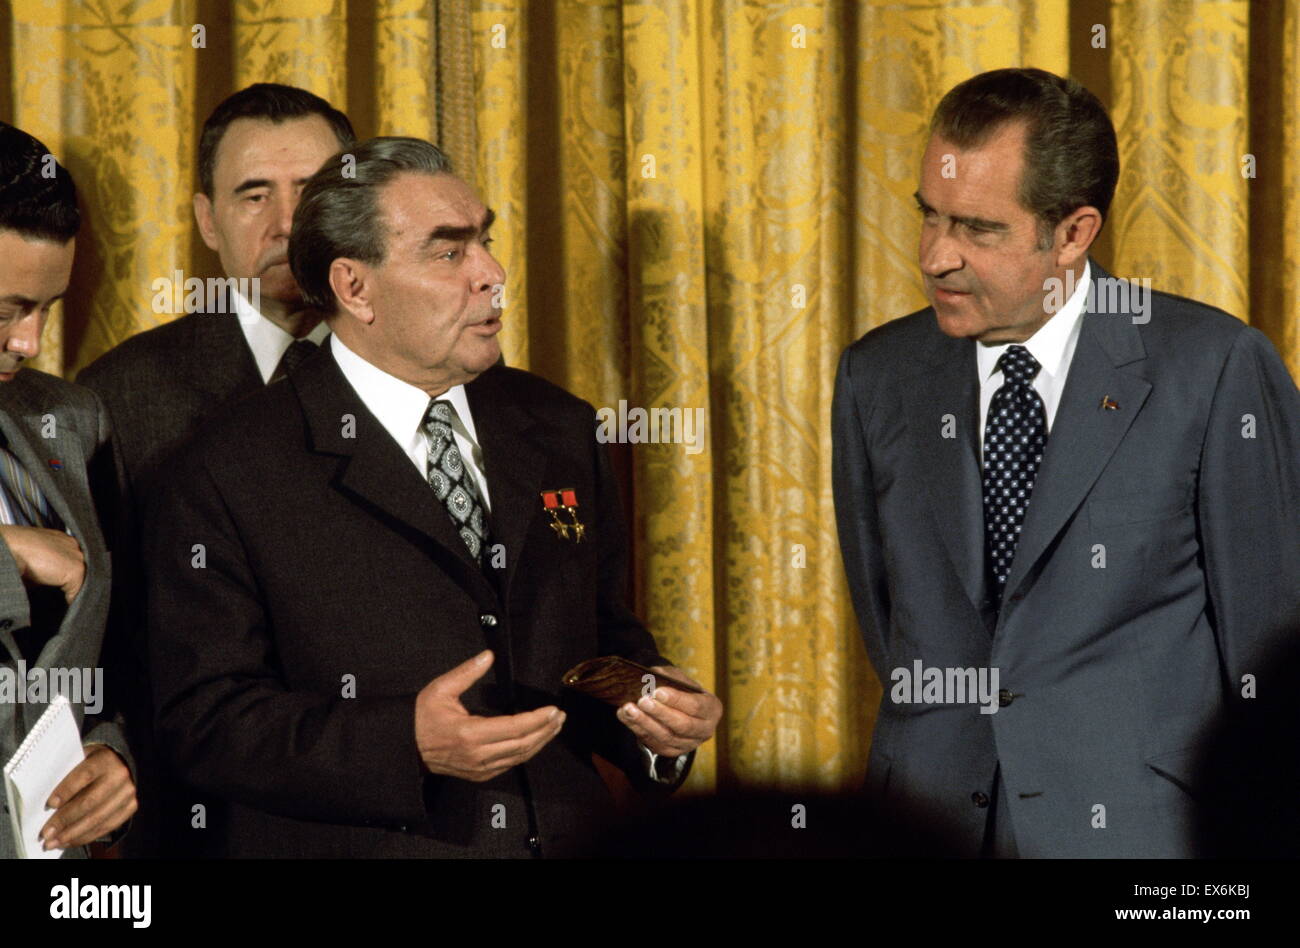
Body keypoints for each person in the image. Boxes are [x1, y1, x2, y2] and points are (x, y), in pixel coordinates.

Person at [143, 136, 723, 857]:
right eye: (449, 253)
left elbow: (601, 636)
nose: (493, 273)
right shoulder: (227, 469)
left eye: (484, 241)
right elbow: (205, 721)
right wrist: (404, 745)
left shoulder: (559, 427)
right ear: (355, 288)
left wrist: (654, 718)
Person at [831, 68, 1300, 858]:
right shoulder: (877, 374)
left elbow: (1274, 657)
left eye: (978, 229)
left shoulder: (1213, 368)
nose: (936, 257)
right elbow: (886, 621)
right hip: (927, 827)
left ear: (1075, 233)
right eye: (929, 216)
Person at [76, 83, 354, 856]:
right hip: (203, 823)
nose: (287, 223)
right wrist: (112, 749)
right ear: (207, 220)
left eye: (313, 191)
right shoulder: (115, 398)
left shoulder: (434, 378)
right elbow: (89, 635)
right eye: (252, 195)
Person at [0, 121, 136, 858]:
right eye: (7, 309)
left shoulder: (73, 417)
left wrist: (116, 752)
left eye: (47, 306)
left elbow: (124, 649)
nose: (30, 342)